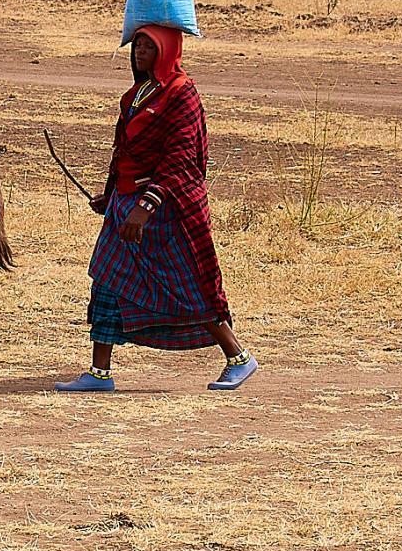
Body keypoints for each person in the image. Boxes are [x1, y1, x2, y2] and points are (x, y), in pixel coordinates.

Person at [56, 24, 257, 392]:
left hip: (166, 212)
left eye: (149, 46)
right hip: (126, 207)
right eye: (137, 45)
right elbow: (124, 152)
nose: (140, 52)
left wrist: (145, 207)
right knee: (108, 280)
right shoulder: (137, 94)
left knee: (188, 286)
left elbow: (180, 159)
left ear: (167, 50)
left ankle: (238, 357)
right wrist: (111, 194)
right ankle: (100, 373)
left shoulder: (182, 94)